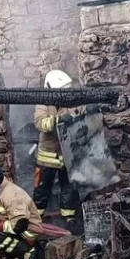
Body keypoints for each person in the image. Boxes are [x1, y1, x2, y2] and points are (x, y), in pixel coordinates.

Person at [33, 70, 103, 226]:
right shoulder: (43, 102)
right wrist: (57, 120)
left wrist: (91, 110)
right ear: (50, 89)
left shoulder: (71, 99)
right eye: (61, 90)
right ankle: (35, 221)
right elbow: (39, 123)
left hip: (68, 153)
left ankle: (70, 221)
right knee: (41, 190)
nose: (64, 93)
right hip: (48, 156)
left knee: (69, 189)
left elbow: (82, 111)